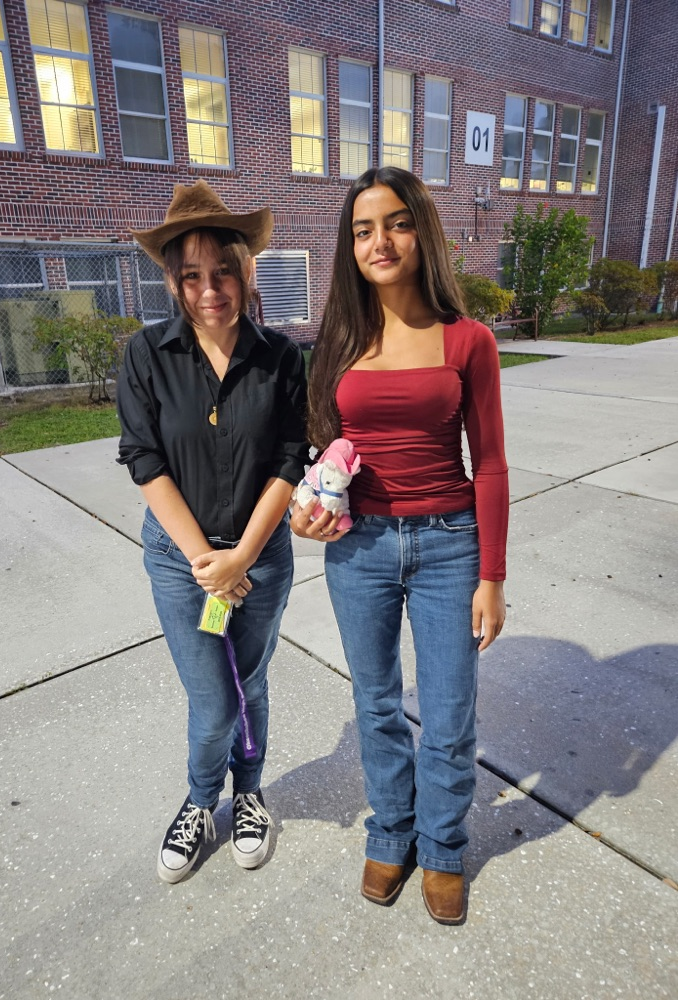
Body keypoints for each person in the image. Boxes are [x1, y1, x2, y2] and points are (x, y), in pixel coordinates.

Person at [291, 166, 508, 924]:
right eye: (361, 229)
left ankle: (443, 844)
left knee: (449, 713)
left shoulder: (468, 339)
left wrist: (492, 575)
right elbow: (319, 454)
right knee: (376, 703)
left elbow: (492, 462)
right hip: (361, 550)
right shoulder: (341, 339)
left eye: (395, 223)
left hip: (450, 543)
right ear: (349, 246)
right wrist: (304, 514)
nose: (379, 241)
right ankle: (391, 830)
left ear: (422, 231)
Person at [117, 180, 308, 884]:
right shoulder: (146, 355)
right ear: (173, 280)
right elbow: (143, 459)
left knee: (250, 681)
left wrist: (243, 558)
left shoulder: (283, 358)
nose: (208, 289)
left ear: (245, 268)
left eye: (221, 269)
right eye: (190, 274)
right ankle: (203, 801)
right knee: (216, 696)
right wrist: (208, 562)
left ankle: (249, 792)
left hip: (262, 555)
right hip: (181, 563)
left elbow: (292, 457)